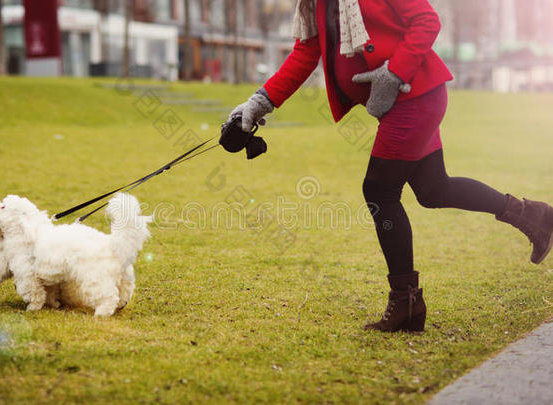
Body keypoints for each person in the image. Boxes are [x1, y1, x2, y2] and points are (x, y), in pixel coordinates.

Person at [224, 0, 553, 332]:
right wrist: (260, 101)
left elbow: (427, 20)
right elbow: (307, 51)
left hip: (415, 95)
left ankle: (406, 303)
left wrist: (395, 71)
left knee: (379, 190)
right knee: (434, 189)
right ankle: (533, 215)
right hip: (405, 102)